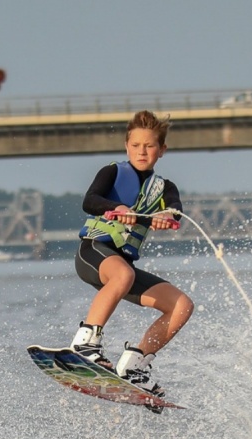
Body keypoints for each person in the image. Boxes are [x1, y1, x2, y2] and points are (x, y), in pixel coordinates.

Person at [70, 110, 194, 396]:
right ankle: (85, 343)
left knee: (182, 305)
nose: (142, 151)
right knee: (123, 274)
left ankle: (135, 364)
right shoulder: (112, 172)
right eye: (136, 145)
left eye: (149, 146)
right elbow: (90, 201)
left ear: (161, 150)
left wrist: (167, 215)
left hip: (122, 267)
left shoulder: (165, 188)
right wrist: (116, 208)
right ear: (127, 146)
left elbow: (176, 213)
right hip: (94, 252)